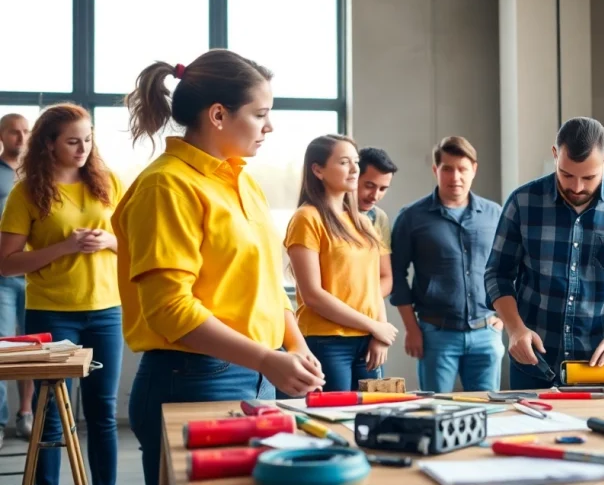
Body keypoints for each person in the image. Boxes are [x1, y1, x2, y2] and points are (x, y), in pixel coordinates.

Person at [112, 50, 325, 485]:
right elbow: (169, 310)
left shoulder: (242, 181)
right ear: (218, 115)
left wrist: (295, 345)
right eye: (260, 113)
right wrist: (268, 357)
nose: (270, 126)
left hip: (256, 372)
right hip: (194, 377)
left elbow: (265, 285)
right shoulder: (166, 186)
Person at [485, 117, 604, 390]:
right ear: (555, 155)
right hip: (533, 360)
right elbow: (497, 274)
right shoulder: (523, 202)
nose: (577, 187)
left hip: (599, 365)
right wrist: (515, 329)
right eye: (566, 174)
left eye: (589, 177)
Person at [0, 104, 123, 485]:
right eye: (72, 141)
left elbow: (138, 246)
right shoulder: (27, 193)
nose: (82, 148)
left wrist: (110, 240)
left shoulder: (110, 183)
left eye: (87, 139)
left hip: (106, 311)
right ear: (49, 144)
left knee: (103, 413)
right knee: (49, 413)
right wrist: (63, 248)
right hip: (52, 314)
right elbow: (6, 264)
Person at [390, 137, 504, 393]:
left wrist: (504, 319)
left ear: (474, 169)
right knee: (436, 412)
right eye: (448, 169)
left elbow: (512, 268)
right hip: (435, 335)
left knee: (489, 412)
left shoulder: (495, 214)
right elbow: (396, 275)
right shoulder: (412, 217)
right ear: (436, 170)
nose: (456, 177)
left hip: (487, 334)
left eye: (462, 169)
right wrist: (411, 329)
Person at [286, 135, 398, 392]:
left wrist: (379, 333)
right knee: (334, 419)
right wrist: (374, 326)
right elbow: (313, 295)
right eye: (344, 162)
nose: (354, 169)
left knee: (369, 420)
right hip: (328, 342)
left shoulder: (364, 222)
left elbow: (374, 285)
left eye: (355, 162)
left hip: (368, 341)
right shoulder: (307, 218)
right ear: (318, 170)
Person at [0, 113, 34, 444]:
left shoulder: (38, 176)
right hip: (2, 276)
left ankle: (26, 413)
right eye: (14, 132)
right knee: (0, 347)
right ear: (2, 136)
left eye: (26, 132)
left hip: (35, 275)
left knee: (34, 346)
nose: (21, 139)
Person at [358, 147, 397, 297]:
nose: (375, 196)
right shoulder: (327, 214)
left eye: (383, 189)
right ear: (353, 177)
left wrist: (367, 302)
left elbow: (386, 277)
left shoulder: (379, 217)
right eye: (369, 186)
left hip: (368, 312)